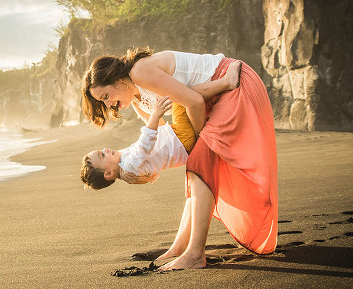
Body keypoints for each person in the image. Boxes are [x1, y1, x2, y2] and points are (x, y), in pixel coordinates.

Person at [82, 48, 278, 271]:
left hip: (233, 82)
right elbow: (162, 137)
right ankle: (179, 247)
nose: (108, 105)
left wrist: (196, 142)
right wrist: (142, 172)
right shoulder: (138, 102)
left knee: (198, 165)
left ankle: (195, 254)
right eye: (103, 102)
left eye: (105, 97)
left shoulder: (139, 72)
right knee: (193, 171)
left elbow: (193, 101)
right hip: (210, 99)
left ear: (117, 81)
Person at [81, 62, 240, 189]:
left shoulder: (124, 164)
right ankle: (226, 82)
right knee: (182, 96)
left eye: (101, 150)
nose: (105, 149)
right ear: (108, 173)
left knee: (181, 98)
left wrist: (145, 175)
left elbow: (148, 156)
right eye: (102, 155)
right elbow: (145, 144)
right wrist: (156, 115)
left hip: (177, 138)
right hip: (181, 139)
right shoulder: (129, 165)